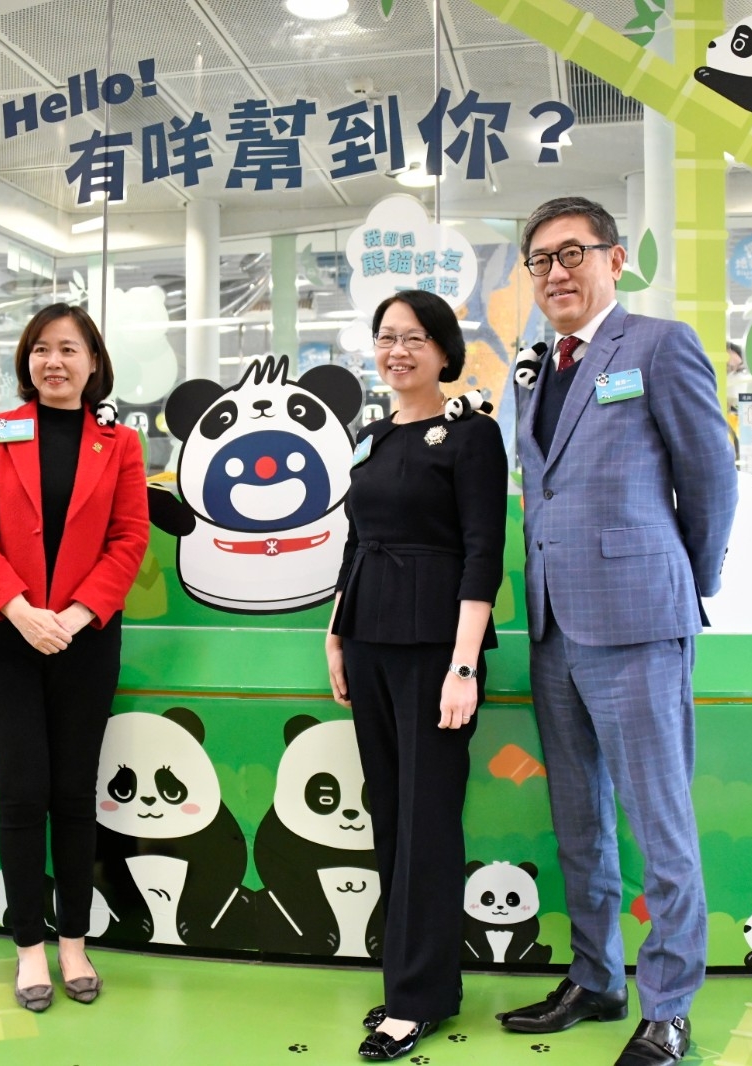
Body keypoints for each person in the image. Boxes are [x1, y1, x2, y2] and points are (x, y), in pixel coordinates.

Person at [498, 197, 737, 1066]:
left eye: (573, 253)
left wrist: (685, 583)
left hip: (639, 619)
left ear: (615, 258)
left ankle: (668, 1006)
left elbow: (710, 478)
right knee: (579, 822)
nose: (556, 272)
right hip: (553, 625)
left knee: (657, 824)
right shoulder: (532, 369)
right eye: (541, 260)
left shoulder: (659, 346)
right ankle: (596, 979)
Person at [325, 289, 507, 1061]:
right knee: (391, 816)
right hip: (368, 636)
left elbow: (483, 553)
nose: (396, 351)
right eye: (385, 337)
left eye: (413, 338)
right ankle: (413, 980)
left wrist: (464, 665)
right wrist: (335, 633)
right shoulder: (371, 438)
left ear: (442, 351)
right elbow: (354, 539)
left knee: (427, 819)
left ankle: (418, 999)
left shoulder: (472, 436)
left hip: (436, 647)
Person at [0, 302, 149, 1013]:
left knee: (72, 794)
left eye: (68, 348)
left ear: (93, 362)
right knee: (21, 793)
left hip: (84, 638)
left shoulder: (120, 444)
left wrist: (73, 614)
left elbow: (129, 538)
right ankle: (29, 948)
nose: (53, 361)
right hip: (2, 636)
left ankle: (73, 940)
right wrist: (20, 610)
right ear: (26, 361)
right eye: (40, 348)